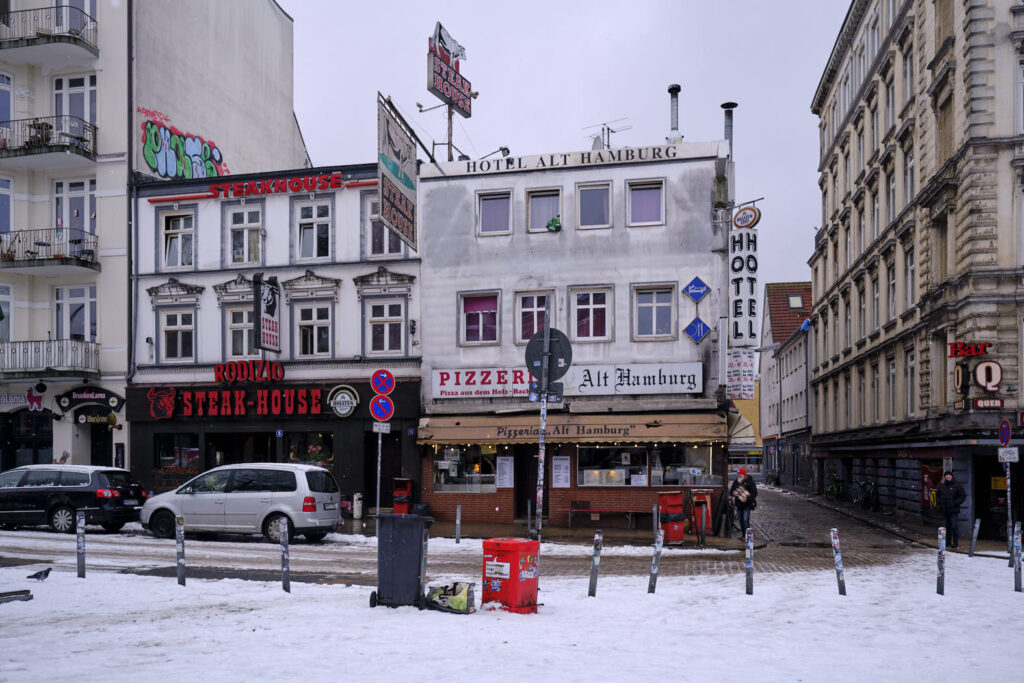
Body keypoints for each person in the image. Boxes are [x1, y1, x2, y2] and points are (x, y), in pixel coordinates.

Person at [936, 471, 966, 548]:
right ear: (945, 477)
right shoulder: (941, 486)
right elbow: (937, 496)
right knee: (947, 527)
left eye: (949, 475)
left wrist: (955, 503)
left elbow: (962, 496)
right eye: (946, 475)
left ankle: (955, 544)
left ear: (952, 476)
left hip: (953, 510)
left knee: (954, 526)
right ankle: (948, 543)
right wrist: (939, 503)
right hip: (945, 510)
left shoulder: (957, 485)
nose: (948, 476)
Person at [730, 467, 758, 536]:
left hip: (747, 504)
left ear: (744, 475)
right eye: (738, 475)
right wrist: (733, 493)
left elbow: (754, 493)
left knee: (745, 520)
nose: (738, 476)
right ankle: (743, 535)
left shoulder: (750, 481)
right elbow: (731, 491)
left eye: (739, 475)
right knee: (740, 520)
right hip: (739, 504)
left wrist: (747, 499)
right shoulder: (737, 481)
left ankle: (748, 536)